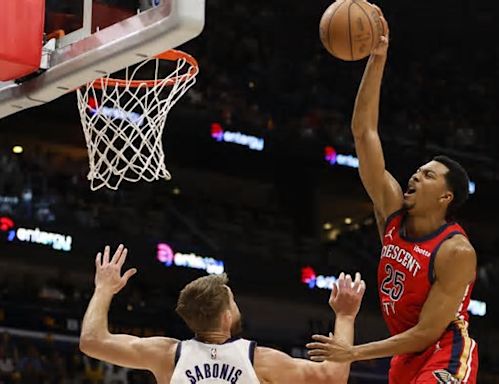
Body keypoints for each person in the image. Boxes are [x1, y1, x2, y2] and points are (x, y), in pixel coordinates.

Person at [307, 8, 478, 384]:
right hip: (403, 356)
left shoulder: (456, 251)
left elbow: (427, 332)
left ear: (446, 197)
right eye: (419, 170)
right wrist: (377, 58)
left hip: (444, 352)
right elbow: (363, 132)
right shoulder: (393, 211)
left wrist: (353, 352)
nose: (416, 174)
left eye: (429, 175)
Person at [79, 244, 366, 384]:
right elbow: (333, 377)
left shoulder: (167, 354)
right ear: (227, 317)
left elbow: (91, 341)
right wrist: (345, 316)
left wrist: (104, 288)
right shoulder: (259, 359)